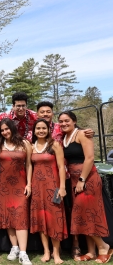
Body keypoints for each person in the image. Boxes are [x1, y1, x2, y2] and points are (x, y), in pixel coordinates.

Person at [35, 101, 94, 259]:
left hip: (65, 177)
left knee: (70, 211)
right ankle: (51, 250)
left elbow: (75, 131)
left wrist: (87, 131)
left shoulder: (60, 127)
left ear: (52, 113)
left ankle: (75, 246)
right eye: (42, 112)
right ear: (37, 114)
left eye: (48, 111)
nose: (45, 114)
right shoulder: (33, 134)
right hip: (44, 181)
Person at [59, 111, 113, 263]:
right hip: (74, 180)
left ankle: (104, 246)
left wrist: (82, 179)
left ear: (74, 121)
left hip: (87, 178)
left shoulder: (82, 134)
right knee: (83, 215)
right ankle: (91, 251)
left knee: (88, 213)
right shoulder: (64, 138)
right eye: (61, 121)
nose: (64, 123)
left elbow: (89, 158)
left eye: (67, 120)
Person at [0, 118, 33, 265]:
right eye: (2, 130)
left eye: (6, 129)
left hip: (20, 185)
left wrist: (29, 184)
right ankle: (14, 247)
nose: (4, 132)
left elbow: (29, 164)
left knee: (20, 217)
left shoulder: (24, 144)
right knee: (9, 216)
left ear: (12, 128)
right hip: (4, 186)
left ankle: (23, 253)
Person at [30, 119, 68, 264]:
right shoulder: (32, 147)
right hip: (37, 188)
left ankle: (56, 253)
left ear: (48, 130)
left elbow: (61, 167)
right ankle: (46, 251)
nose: (41, 131)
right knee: (41, 220)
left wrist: (62, 187)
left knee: (55, 219)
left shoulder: (55, 145)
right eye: (38, 128)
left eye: (44, 128)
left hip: (53, 187)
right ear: (34, 131)